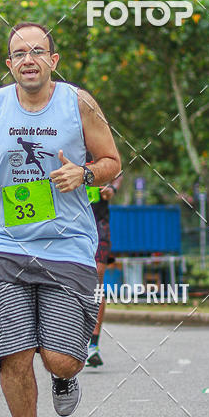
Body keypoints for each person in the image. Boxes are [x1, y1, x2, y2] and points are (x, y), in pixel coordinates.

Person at [0, 22, 121, 417]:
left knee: (60, 356)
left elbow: (112, 160)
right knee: (12, 351)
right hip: (5, 242)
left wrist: (85, 175)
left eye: (37, 51)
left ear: (53, 60)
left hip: (68, 245)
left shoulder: (79, 102)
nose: (27, 59)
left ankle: (65, 375)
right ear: (9, 64)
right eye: (18, 53)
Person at [84, 153, 123, 367]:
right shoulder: (61, 135)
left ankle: (93, 344)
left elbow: (119, 171)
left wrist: (112, 189)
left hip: (98, 221)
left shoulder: (97, 140)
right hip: (68, 222)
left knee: (97, 276)